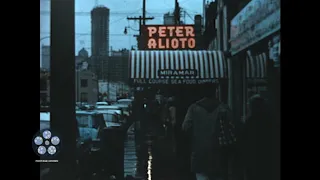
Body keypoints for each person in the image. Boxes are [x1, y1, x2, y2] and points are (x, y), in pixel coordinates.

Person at [182, 85, 233, 180]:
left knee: (201, 176)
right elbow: (232, 126)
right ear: (215, 92)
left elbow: (185, 127)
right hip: (219, 151)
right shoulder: (223, 108)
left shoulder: (193, 108)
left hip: (199, 151)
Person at [238, 94, 271, 180]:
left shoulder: (250, 122)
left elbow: (243, 140)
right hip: (265, 157)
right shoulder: (269, 121)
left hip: (252, 157)